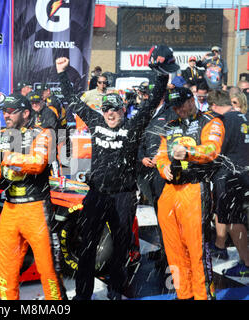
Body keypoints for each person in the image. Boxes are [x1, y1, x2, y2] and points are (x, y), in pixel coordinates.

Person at [55, 44, 172, 300]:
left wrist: (162, 75)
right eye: (106, 109)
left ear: (122, 110)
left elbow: (152, 103)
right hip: (97, 194)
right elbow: (74, 102)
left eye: (115, 109)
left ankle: (116, 290)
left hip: (123, 196)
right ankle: (83, 294)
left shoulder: (133, 126)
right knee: (87, 245)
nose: (110, 114)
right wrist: (62, 73)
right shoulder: (96, 121)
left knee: (120, 248)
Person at [0, 93, 65, 300]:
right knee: (6, 271)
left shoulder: (43, 134)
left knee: (48, 270)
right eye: (4, 111)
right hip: (9, 209)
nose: (6, 115)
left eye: (11, 111)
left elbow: (37, 163)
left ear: (26, 113)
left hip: (36, 209)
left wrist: (3, 156)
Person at [155, 87, 225, 300]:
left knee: (196, 249)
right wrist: (162, 167)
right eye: (174, 106)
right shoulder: (170, 126)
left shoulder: (211, 121)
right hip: (169, 191)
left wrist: (189, 152)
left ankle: (203, 295)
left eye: (181, 104)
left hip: (195, 189)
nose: (178, 109)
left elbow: (213, 149)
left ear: (191, 99)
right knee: (173, 249)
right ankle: (183, 294)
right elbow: (161, 154)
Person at [207, 90, 249, 277]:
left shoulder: (224, 121)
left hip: (232, 175)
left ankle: (246, 263)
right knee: (234, 217)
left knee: (234, 220)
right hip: (243, 171)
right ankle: (226, 248)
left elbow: (215, 152)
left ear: (214, 106)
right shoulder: (244, 117)